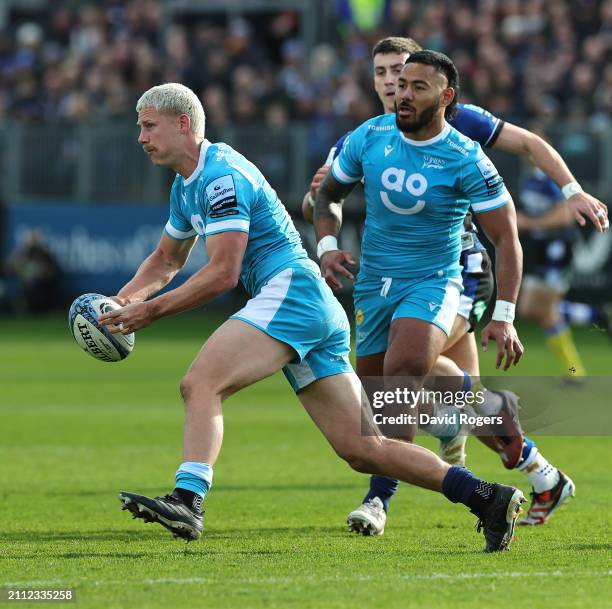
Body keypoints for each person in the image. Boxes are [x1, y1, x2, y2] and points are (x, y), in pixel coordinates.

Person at [97, 83, 526, 551]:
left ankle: (188, 498)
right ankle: (488, 497)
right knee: (363, 450)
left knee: (200, 383)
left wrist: (152, 311)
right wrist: (121, 303)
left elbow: (223, 273)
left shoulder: (221, 175)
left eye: (148, 125)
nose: (140, 136)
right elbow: (166, 259)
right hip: (306, 304)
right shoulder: (187, 184)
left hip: (292, 292)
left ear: (183, 125)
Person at [304, 38, 579, 534]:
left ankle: (380, 499)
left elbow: (525, 171)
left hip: (458, 273)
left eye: (405, 76)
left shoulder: (464, 134)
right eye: (386, 75)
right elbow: (322, 201)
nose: (395, 85)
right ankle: (534, 466)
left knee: (407, 370)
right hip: (377, 284)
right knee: (431, 395)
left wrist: (573, 192)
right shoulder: (363, 138)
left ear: (443, 93)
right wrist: (324, 237)